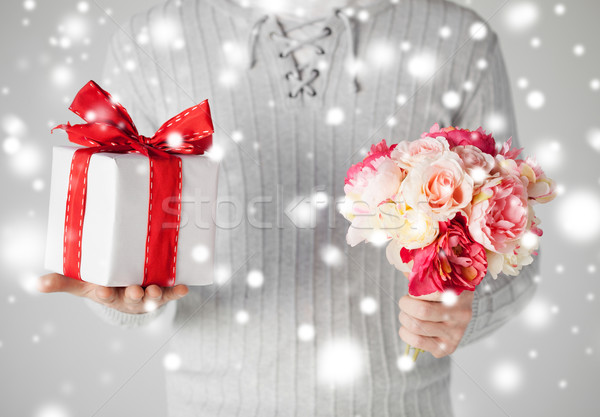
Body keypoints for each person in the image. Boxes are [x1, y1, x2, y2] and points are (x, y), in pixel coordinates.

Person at [39, 0, 538, 415]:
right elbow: (120, 257)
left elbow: (517, 249)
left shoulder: (458, 36)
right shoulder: (149, 40)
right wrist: (117, 297)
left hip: (399, 405)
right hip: (213, 404)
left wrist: (467, 311)